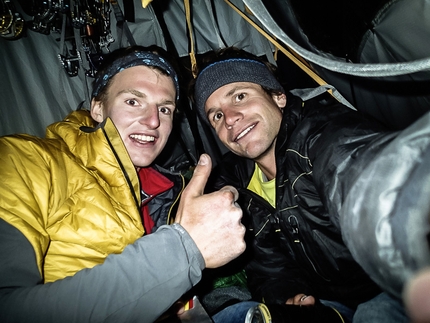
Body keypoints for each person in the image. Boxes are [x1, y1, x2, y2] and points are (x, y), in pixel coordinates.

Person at [0, 46, 247, 322]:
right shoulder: (23, 160)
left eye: (165, 109)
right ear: (97, 107)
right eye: (133, 101)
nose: (153, 121)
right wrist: (185, 249)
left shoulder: (168, 191)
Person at [192, 47, 430, 322]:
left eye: (240, 96)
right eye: (216, 116)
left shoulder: (323, 135)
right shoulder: (234, 189)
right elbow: (269, 271)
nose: (230, 118)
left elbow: (360, 173)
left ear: (278, 96)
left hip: (390, 287)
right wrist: (290, 295)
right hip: (329, 304)